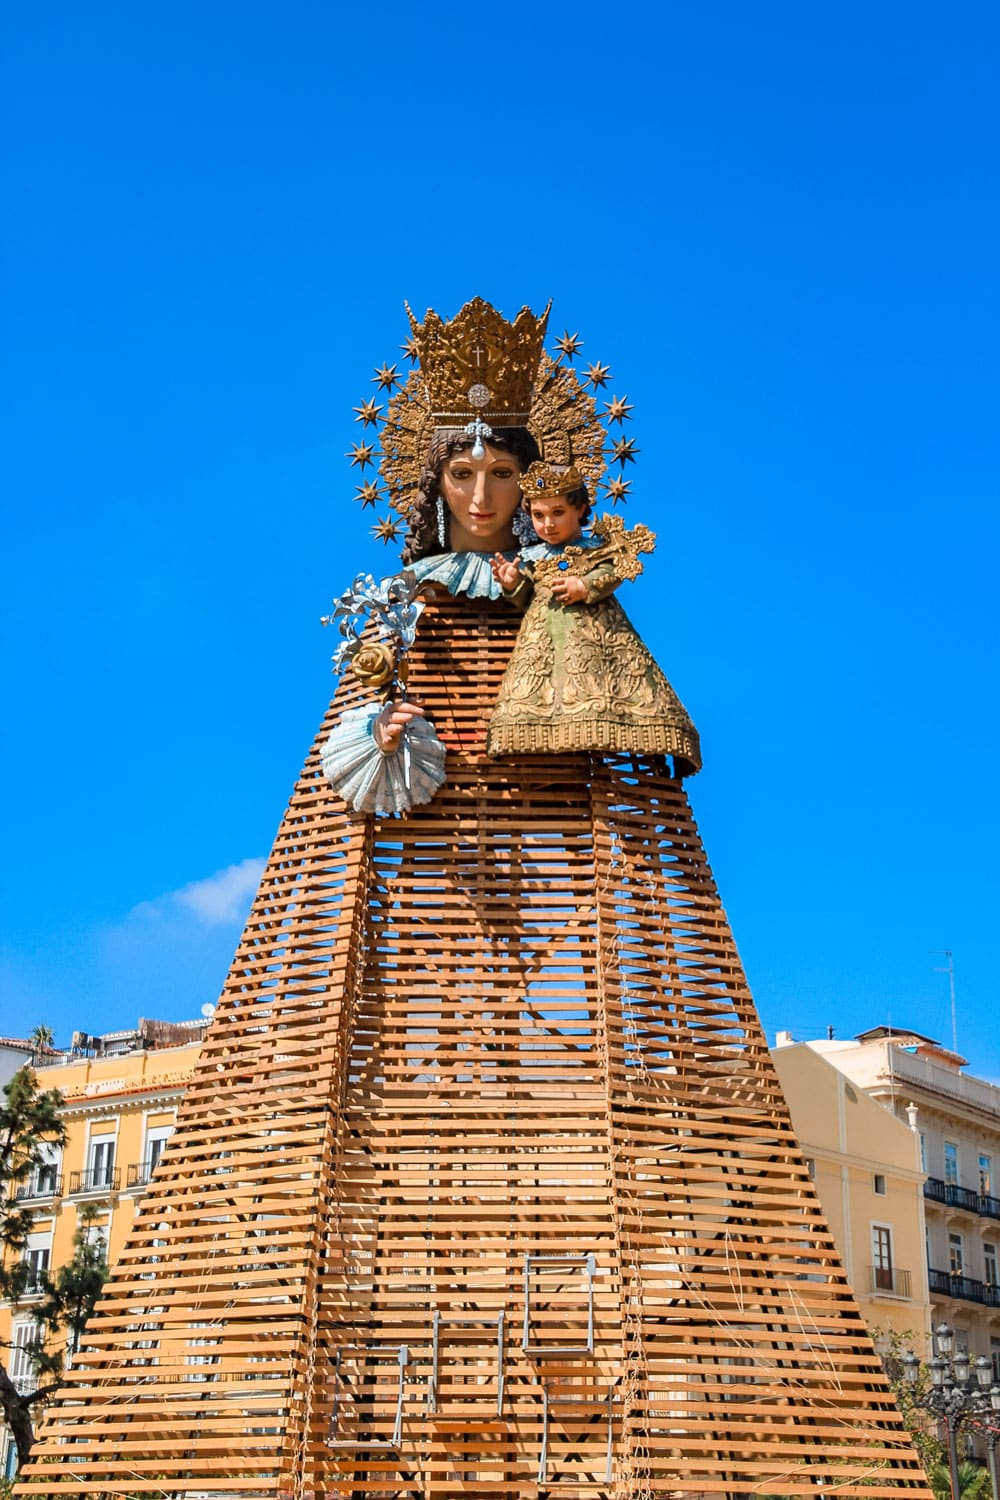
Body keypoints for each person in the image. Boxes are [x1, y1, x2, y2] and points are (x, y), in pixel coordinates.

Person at [484, 461, 701, 769]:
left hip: (595, 641)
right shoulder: (532, 558)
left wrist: (583, 585)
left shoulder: (596, 549)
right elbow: (526, 595)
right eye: (538, 515)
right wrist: (512, 583)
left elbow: (614, 571)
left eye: (557, 513)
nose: (548, 524)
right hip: (542, 645)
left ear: (581, 509)